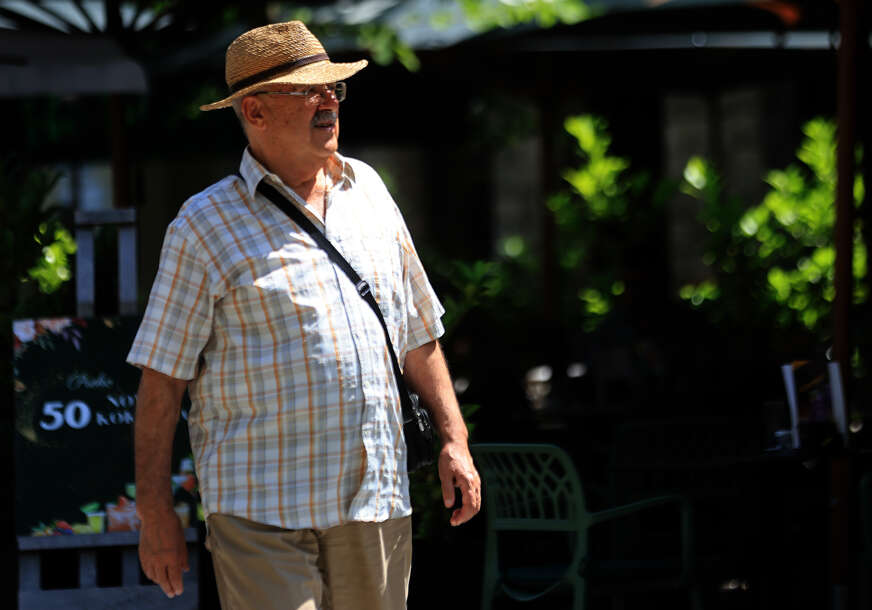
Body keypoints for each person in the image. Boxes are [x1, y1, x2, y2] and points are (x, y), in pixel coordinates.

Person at [128, 20, 481, 610]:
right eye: (308, 90)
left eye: (333, 88)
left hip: (374, 501)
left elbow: (419, 333)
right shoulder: (203, 226)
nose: (328, 102)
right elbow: (161, 382)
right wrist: (155, 512)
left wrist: (455, 439)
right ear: (255, 111)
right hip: (261, 511)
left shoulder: (369, 191)